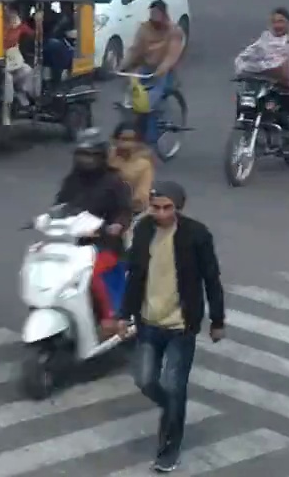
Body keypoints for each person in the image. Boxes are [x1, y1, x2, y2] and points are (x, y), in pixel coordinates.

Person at [118, 181, 224, 474]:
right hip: (148, 323)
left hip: (181, 327)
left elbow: (211, 279)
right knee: (145, 381)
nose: (161, 214)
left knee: (174, 385)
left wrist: (217, 320)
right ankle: (172, 407)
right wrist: (123, 315)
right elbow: (134, 276)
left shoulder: (196, 235)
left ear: (178, 207)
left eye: (167, 208)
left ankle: (169, 449)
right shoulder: (143, 231)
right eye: (156, 208)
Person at [54, 128, 132, 340]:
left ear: (101, 156)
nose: (85, 160)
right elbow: (60, 205)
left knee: (93, 273)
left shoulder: (114, 182)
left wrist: (117, 225)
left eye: (90, 155)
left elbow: (124, 211)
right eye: (81, 154)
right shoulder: (72, 181)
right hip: (73, 241)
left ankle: (109, 318)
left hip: (105, 243)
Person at [233, 9, 289, 153]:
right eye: (274, 22)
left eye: (281, 21)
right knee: (247, 101)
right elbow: (248, 55)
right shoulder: (265, 39)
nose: (277, 25)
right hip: (267, 82)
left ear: (288, 23)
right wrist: (241, 67)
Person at [120, 0, 186, 145]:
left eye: (157, 13)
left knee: (150, 103)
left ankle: (151, 140)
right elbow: (136, 50)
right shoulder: (144, 29)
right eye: (152, 13)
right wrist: (123, 66)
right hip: (146, 68)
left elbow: (172, 55)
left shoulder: (174, 31)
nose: (154, 16)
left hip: (165, 71)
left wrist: (162, 68)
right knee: (132, 95)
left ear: (163, 14)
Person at [108, 121, 156, 211]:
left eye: (131, 140)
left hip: (129, 208)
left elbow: (142, 195)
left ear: (138, 143)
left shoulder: (144, 164)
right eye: (123, 139)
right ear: (115, 140)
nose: (127, 144)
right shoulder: (107, 156)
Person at [2, 8, 35, 112]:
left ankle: (25, 96)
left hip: (16, 59)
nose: (12, 18)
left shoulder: (20, 27)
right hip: (2, 60)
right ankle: (8, 105)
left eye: (14, 16)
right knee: (8, 78)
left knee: (28, 71)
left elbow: (33, 34)